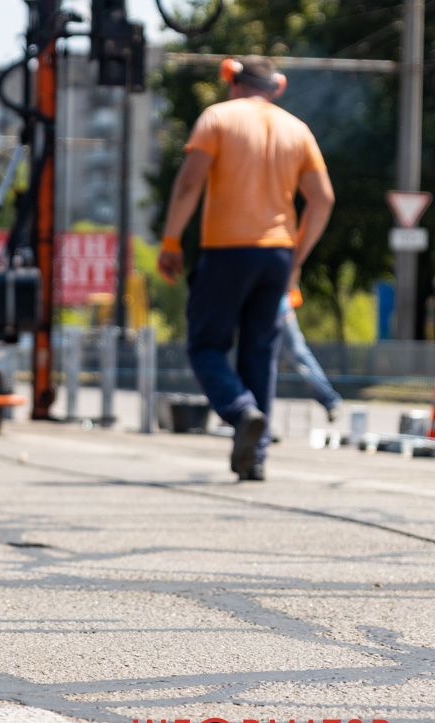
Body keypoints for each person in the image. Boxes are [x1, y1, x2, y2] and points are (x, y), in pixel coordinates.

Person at [158, 56, 335, 481]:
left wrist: (171, 241)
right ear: (276, 87)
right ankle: (253, 460)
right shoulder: (298, 129)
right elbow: (323, 199)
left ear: (233, 82)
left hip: (226, 250)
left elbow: (189, 183)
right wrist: (297, 256)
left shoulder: (217, 117)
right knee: (261, 354)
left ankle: (241, 412)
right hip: (277, 254)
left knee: (206, 346)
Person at [279, 289, 342, 422]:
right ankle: (245, 412)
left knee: (298, 356)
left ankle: (329, 399)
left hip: (279, 308)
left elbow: (295, 267)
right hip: (263, 306)